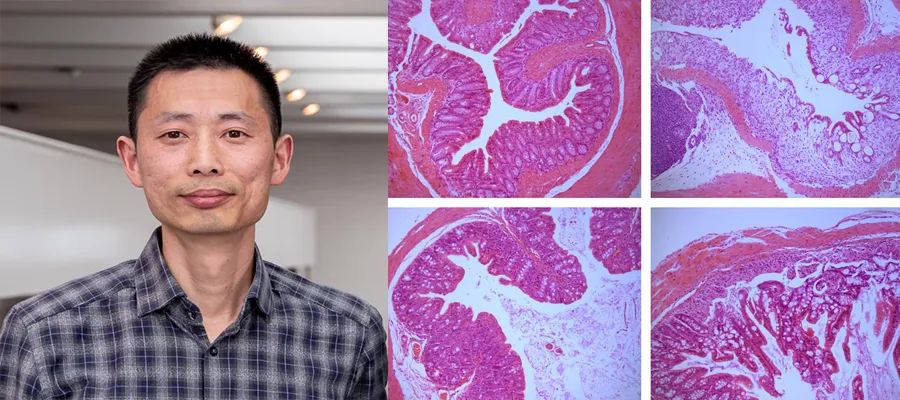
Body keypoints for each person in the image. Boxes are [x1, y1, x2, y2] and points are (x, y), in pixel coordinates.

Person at [0, 33, 387, 399]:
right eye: (174, 135)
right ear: (133, 161)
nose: (204, 163)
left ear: (279, 159)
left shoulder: (348, 333)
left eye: (234, 133)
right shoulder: (44, 333)